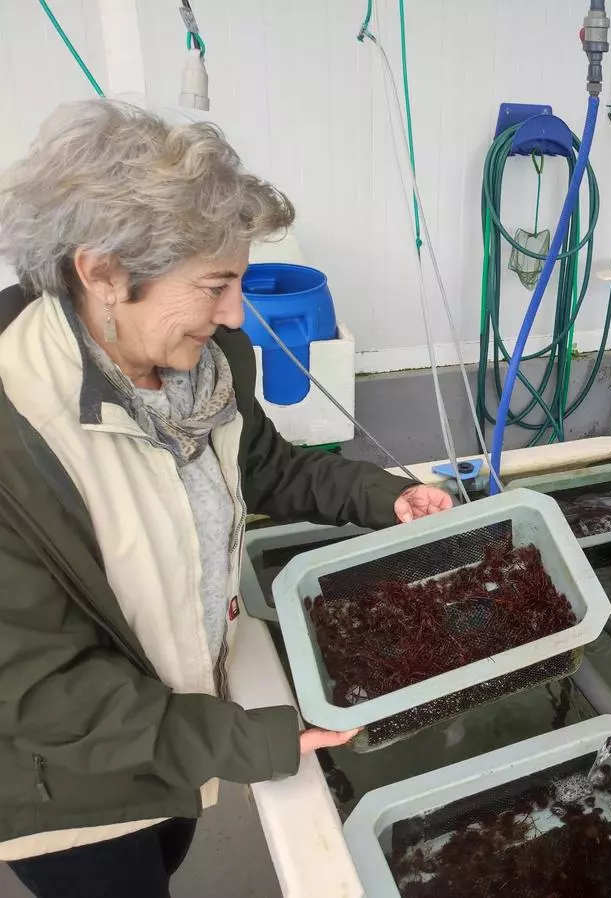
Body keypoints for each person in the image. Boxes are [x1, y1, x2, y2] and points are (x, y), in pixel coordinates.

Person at [0, 100, 452, 897]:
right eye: (214, 285)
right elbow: (43, 690)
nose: (237, 313)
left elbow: (264, 466)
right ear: (102, 272)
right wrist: (248, 741)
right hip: (73, 785)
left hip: (184, 721)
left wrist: (386, 497)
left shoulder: (210, 361)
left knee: (171, 850)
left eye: (237, 279)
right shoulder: (17, 435)